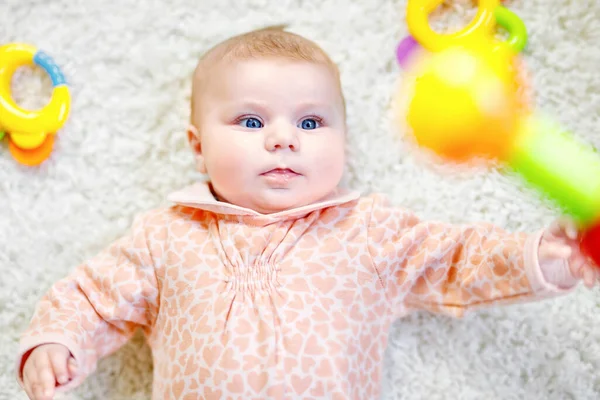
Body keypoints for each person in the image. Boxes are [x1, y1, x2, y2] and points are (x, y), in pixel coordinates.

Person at [16, 25, 599, 400]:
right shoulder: (165, 236)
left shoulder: (369, 231)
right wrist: (57, 342)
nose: (283, 140)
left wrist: (540, 257)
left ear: (343, 142)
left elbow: (458, 260)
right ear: (197, 146)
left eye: (311, 122)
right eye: (251, 121)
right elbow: (92, 295)